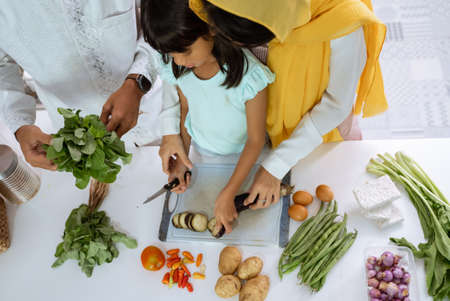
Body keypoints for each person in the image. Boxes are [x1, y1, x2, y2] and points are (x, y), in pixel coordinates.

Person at [153, 0, 386, 232]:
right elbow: (177, 61)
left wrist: (276, 166)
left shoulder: (342, 18)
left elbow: (336, 105)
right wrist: (171, 131)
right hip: (264, 137)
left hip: (315, 140)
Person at [0, 0, 189, 170]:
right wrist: (20, 126)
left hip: (161, 122)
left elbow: (166, 14)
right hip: (81, 146)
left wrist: (137, 82)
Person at [141, 0, 275, 233]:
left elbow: (255, 141)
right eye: (171, 53)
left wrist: (230, 191)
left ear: (210, 27)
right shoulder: (180, 68)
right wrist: (183, 160)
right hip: (203, 155)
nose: (178, 61)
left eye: (184, 51)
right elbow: (185, 109)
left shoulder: (250, 77)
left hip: (248, 162)